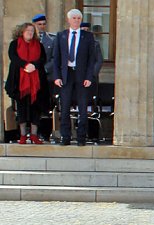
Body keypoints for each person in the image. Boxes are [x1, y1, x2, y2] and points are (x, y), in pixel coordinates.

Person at [52, 9, 97, 146]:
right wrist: (57, 76)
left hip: (82, 74)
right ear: (69, 20)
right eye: (74, 18)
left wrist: (89, 76)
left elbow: (92, 59)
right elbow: (56, 58)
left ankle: (81, 137)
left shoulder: (88, 36)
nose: (76, 20)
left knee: (82, 107)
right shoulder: (61, 36)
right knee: (65, 106)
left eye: (78, 18)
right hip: (66, 74)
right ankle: (65, 136)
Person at [5, 23, 50, 145]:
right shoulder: (15, 44)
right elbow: (13, 57)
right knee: (22, 108)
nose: (30, 32)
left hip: (36, 82)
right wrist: (25, 65)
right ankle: (23, 135)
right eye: (27, 30)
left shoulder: (39, 45)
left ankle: (34, 135)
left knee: (36, 108)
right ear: (21, 32)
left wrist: (34, 66)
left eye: (31, 30)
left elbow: (43, 59)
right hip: (19, 81)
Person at [33, 14, 56, 86]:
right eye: (39, 24)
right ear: (34, 25)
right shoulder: (29, 39)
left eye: (44, 24)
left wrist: (45, 69)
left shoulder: (52, 39)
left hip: (47, 75)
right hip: (32, 73)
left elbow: (54, 57)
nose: (42, 26)